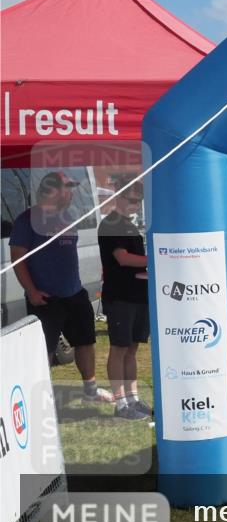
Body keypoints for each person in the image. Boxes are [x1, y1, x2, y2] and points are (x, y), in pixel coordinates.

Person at [8, 171, 111, 402]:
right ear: (51, 191)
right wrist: (32, 291)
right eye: (67, 188)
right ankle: (41, 398)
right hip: (45, 297)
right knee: (45, 349)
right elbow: (17, 259)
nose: (71, 194)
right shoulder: (27, 220)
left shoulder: (68, 217)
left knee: (85, 342)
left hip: (74, 293)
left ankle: (90, 391)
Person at [97, 184, 152, 420]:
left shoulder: (128, 223)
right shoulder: (111, 223)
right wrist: (156, 258)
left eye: (138, 200)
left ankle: (133, 398)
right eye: (131, 199)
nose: (135, 204)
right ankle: (121, 404)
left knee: (132, 349)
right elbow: (122, 258)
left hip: (138, 294)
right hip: (120, 297)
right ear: (118, 197)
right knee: (119, 349)